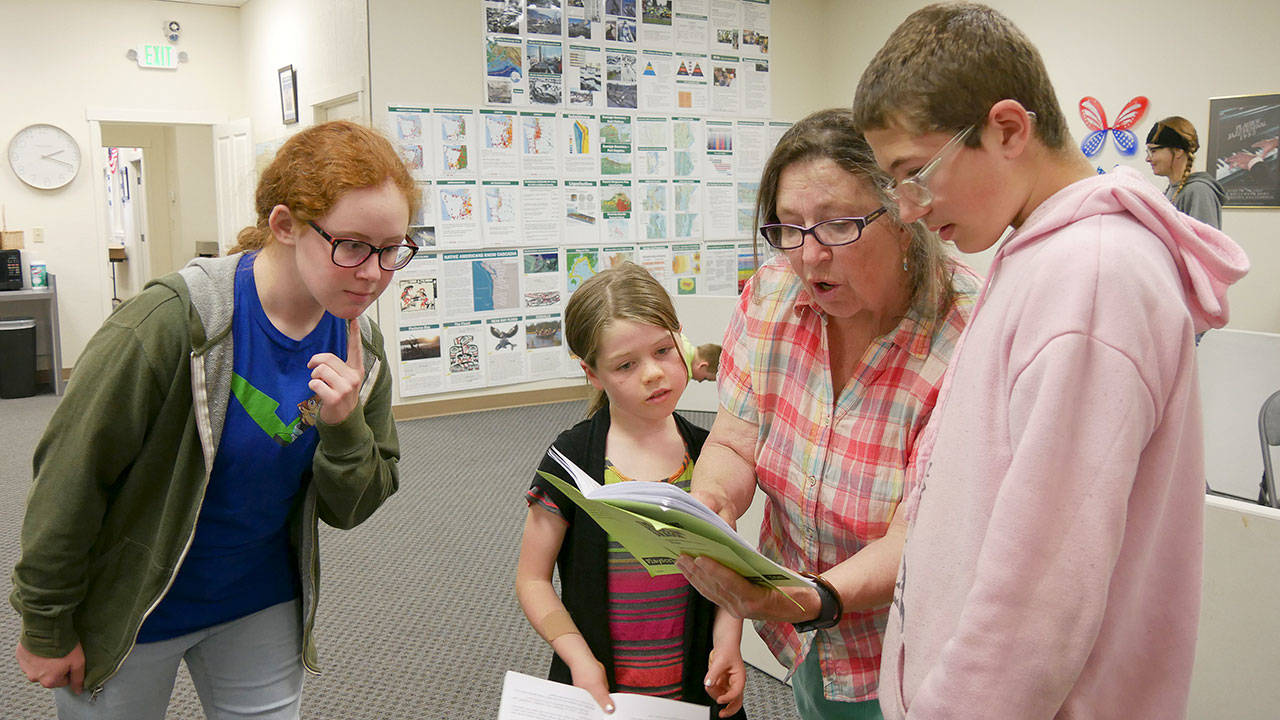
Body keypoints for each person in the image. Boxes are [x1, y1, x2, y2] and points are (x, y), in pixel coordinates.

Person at [851, 4, 1250, 718]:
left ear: (1007, 129)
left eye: (915, 174)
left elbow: (1037, 599)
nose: (907, 208)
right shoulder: (1038, 251)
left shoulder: (1092, 277)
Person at [11, 120, 419, 719]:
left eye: (392, 251)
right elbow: (71, 477)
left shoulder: (362, 346)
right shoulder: (169, 324)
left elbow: (349, 508)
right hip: (135, 602)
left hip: (260, 599)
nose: (373, 273)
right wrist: (45, 622)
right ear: (283, 225)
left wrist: (344, 426)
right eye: (352, 245)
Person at [677, 108, 980, 720]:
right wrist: (710, 506)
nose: (809, 258)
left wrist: (817, 598)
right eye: (789, 228)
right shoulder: (770, 295)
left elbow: (920, 538)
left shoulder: (968, 332)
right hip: (805, 633)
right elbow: (736, 441)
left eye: (838, 225)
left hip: (912, 652)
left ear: (904, 215)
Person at [516, 263, 747, 719]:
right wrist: (578, 659)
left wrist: (729, 643)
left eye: (664, 350)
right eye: (626, 365)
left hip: (696, 688)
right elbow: (532, 579)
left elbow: (731, 570)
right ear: (593, 373)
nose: (653, 374)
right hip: (598, 685)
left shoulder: (710, 455)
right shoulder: (572, 457)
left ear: (681, 339)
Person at [1145, 115, 1226, 228]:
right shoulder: (1172, 189)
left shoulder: (1199, 190)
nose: (1148, 159)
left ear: (1178, 151)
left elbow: (1203, 244)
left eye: (1153, 151)